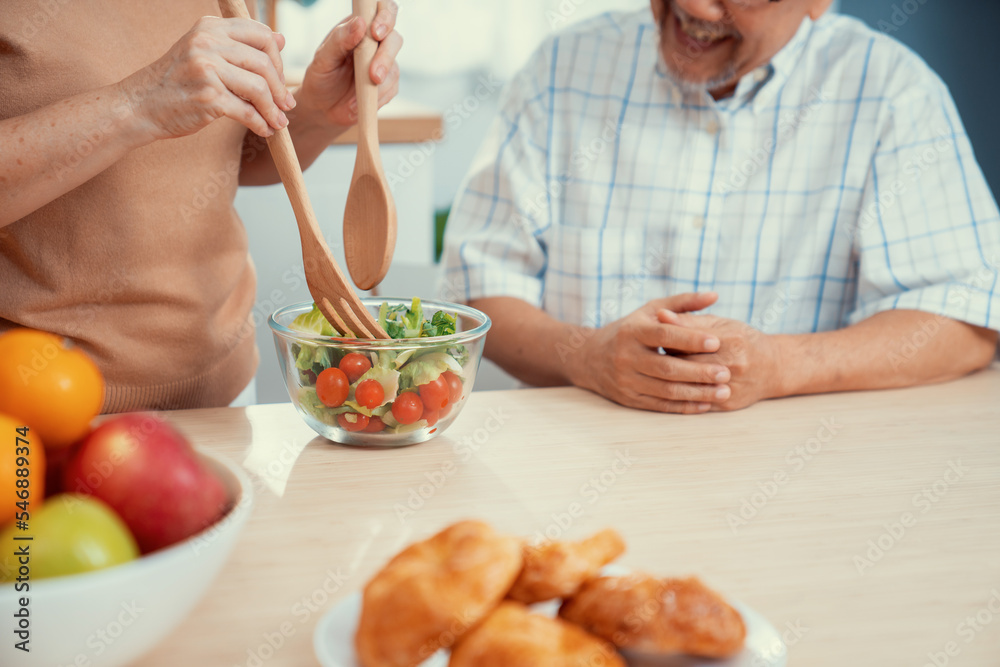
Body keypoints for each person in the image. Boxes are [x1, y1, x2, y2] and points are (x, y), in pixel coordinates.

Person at [440, 0, 1000, 414]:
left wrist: (780, 365)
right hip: (567, 470)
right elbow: (480, 287)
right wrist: (584, 357)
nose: (692, 7)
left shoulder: (893, 92)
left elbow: (965, 320)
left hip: (806, 484)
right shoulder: (562, 65)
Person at [0, 1, 402, 412]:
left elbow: (227, 158)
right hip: (42, 402)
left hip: (224, 395)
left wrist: (319, 112)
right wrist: (138, 102)